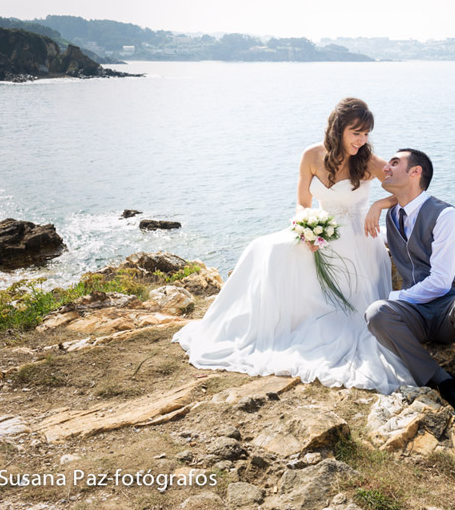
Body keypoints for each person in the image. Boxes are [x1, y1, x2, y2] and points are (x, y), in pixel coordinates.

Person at [172, 98, 416, 394]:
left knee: (346, 316)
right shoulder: (312, 155)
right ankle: (265, 324)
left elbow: (408, 191)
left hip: (357, 240)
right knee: (263, 248)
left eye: (366, 134)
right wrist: (306, 226)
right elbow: (303, 202)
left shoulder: (368, 161)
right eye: (356, 133)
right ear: (339, 128)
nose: (362, 140)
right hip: (319, 231)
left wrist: (379, 205)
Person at [364, 149, 455, 418]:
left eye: (394, 163)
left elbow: (440, 282)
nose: (386, 168)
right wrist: (376, 206)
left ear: (416, 172)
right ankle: (440, 379)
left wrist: (396, 297)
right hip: (417, 315)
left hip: (450, 307)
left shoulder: (444, 214)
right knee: (376, 314)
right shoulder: (392, 216)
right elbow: (381, 241)